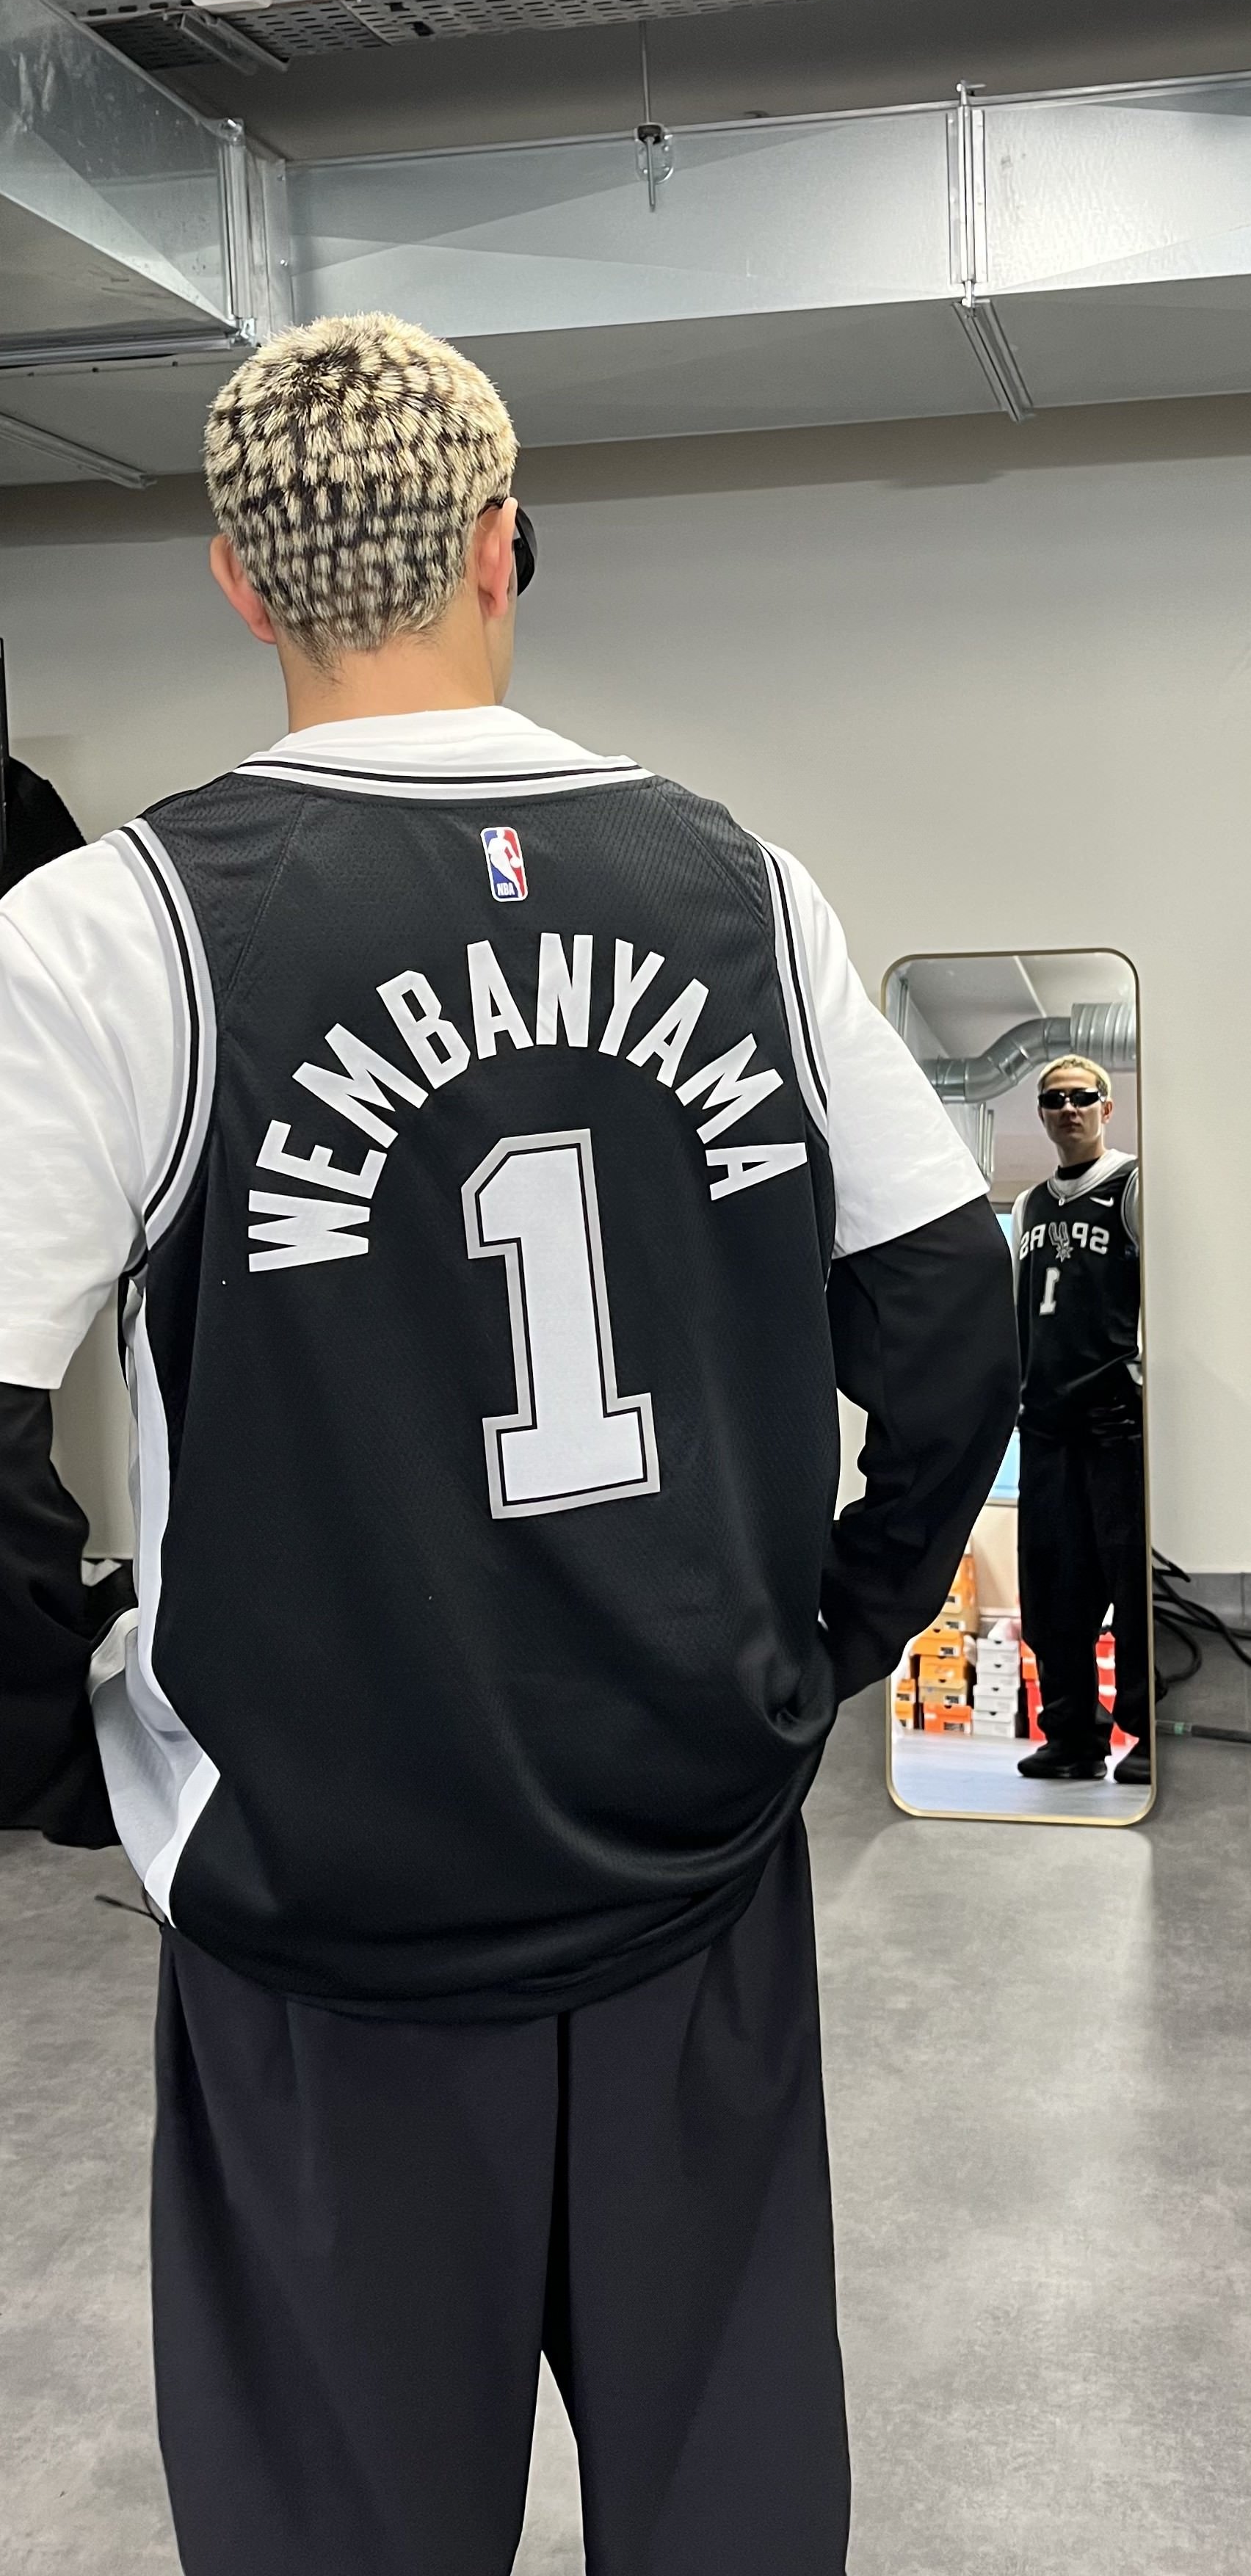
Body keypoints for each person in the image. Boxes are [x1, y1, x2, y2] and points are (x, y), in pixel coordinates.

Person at [0, 313, 1018, 2576]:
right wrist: (829, 1643)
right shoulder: (738, 884)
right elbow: (954, 1316)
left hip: (326, 1916)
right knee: (730, 2507)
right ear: (500, 542)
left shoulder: (111, 936)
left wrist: (71, 1758)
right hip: (688, 1866)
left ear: (236, 579)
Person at [1010, 1055, 1152, 1788]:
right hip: (1045, 1425)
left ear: (1107, 1107)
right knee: (1051, 1591)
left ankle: (1147, 1734)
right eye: (1055, 1099)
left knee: (1132, 1588)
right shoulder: (1028, 1207)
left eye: (1083, 1097)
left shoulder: (1133, 1187)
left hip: (1114, 1423)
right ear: (1041, 1114)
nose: (1069, 1108)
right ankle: (1072, 1736)